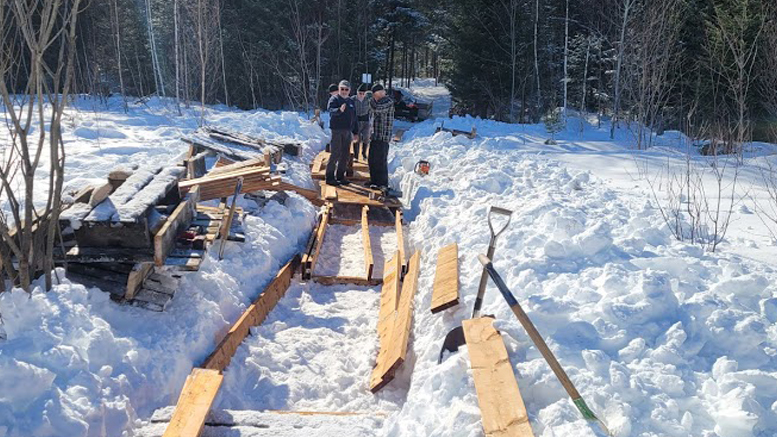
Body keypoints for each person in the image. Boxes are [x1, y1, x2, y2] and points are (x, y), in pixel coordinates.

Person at [326, 80, 358, 186]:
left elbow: (354, 117)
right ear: (339, 89)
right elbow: (331, 110)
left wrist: (355, 131)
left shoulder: (351, 101)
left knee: (345, 154)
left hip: (347, 131)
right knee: (335, 153)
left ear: (349, 91)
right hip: (337, 130)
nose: (344, 91)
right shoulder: (334, 99)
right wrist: (339, 110)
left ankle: (340, 176)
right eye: (342, 89)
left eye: (346, 89)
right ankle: (330, 177)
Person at [368, 83, 394, 190]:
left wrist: (370, 100)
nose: (376, 96)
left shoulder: (388, 102)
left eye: (377, 93)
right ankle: (374, 181)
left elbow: (377, 109)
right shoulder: (376, 101)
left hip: (383, 136)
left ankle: (383, 184)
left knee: (380, 161)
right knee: (372, 159)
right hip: (375, 135)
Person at [353, 84, 371, 162]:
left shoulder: (368, 99)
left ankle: (364, 154)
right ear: (357, 93)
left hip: (366, 120)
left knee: (366, 137)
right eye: (360, 93)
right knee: (357, 138)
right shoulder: (353, 99)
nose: (361, 95)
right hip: (356, 120)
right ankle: (356, 156)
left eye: (363, 94)